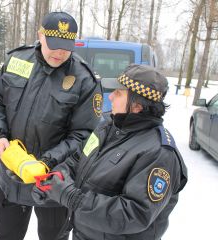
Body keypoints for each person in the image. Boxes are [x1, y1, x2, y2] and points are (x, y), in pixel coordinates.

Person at [32, 64, 188, 240]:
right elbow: (76, 162)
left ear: (137, 106)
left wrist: (72, 198)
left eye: (119, 93)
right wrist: (52, 184)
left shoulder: (159, 153)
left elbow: (134, 214)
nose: (111, 96)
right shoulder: (107, 127)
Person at [0, 11, 102, 240]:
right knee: (6, 234)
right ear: (40, 35)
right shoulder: (17, 60)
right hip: (11, 177)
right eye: (55, 44)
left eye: (66, 46)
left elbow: (85, 135)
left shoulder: (83, 79)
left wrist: (47, 161)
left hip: (55, 185)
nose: (60, 52)